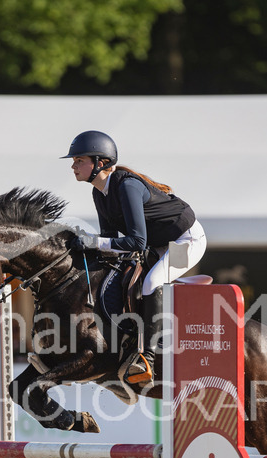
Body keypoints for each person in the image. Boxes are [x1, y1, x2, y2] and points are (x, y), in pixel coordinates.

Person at [62, 130, 206, 385]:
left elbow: (135, 241)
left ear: (101, 163)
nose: (73, 166)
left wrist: (93, 241)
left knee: (151, 282)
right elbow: (110, 239)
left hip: (185, 240)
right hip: (157, 243)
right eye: (74, 161)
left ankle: (147, 357)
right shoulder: (99, 192)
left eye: (79, 160)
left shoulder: (127, 185)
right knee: (120, 276)